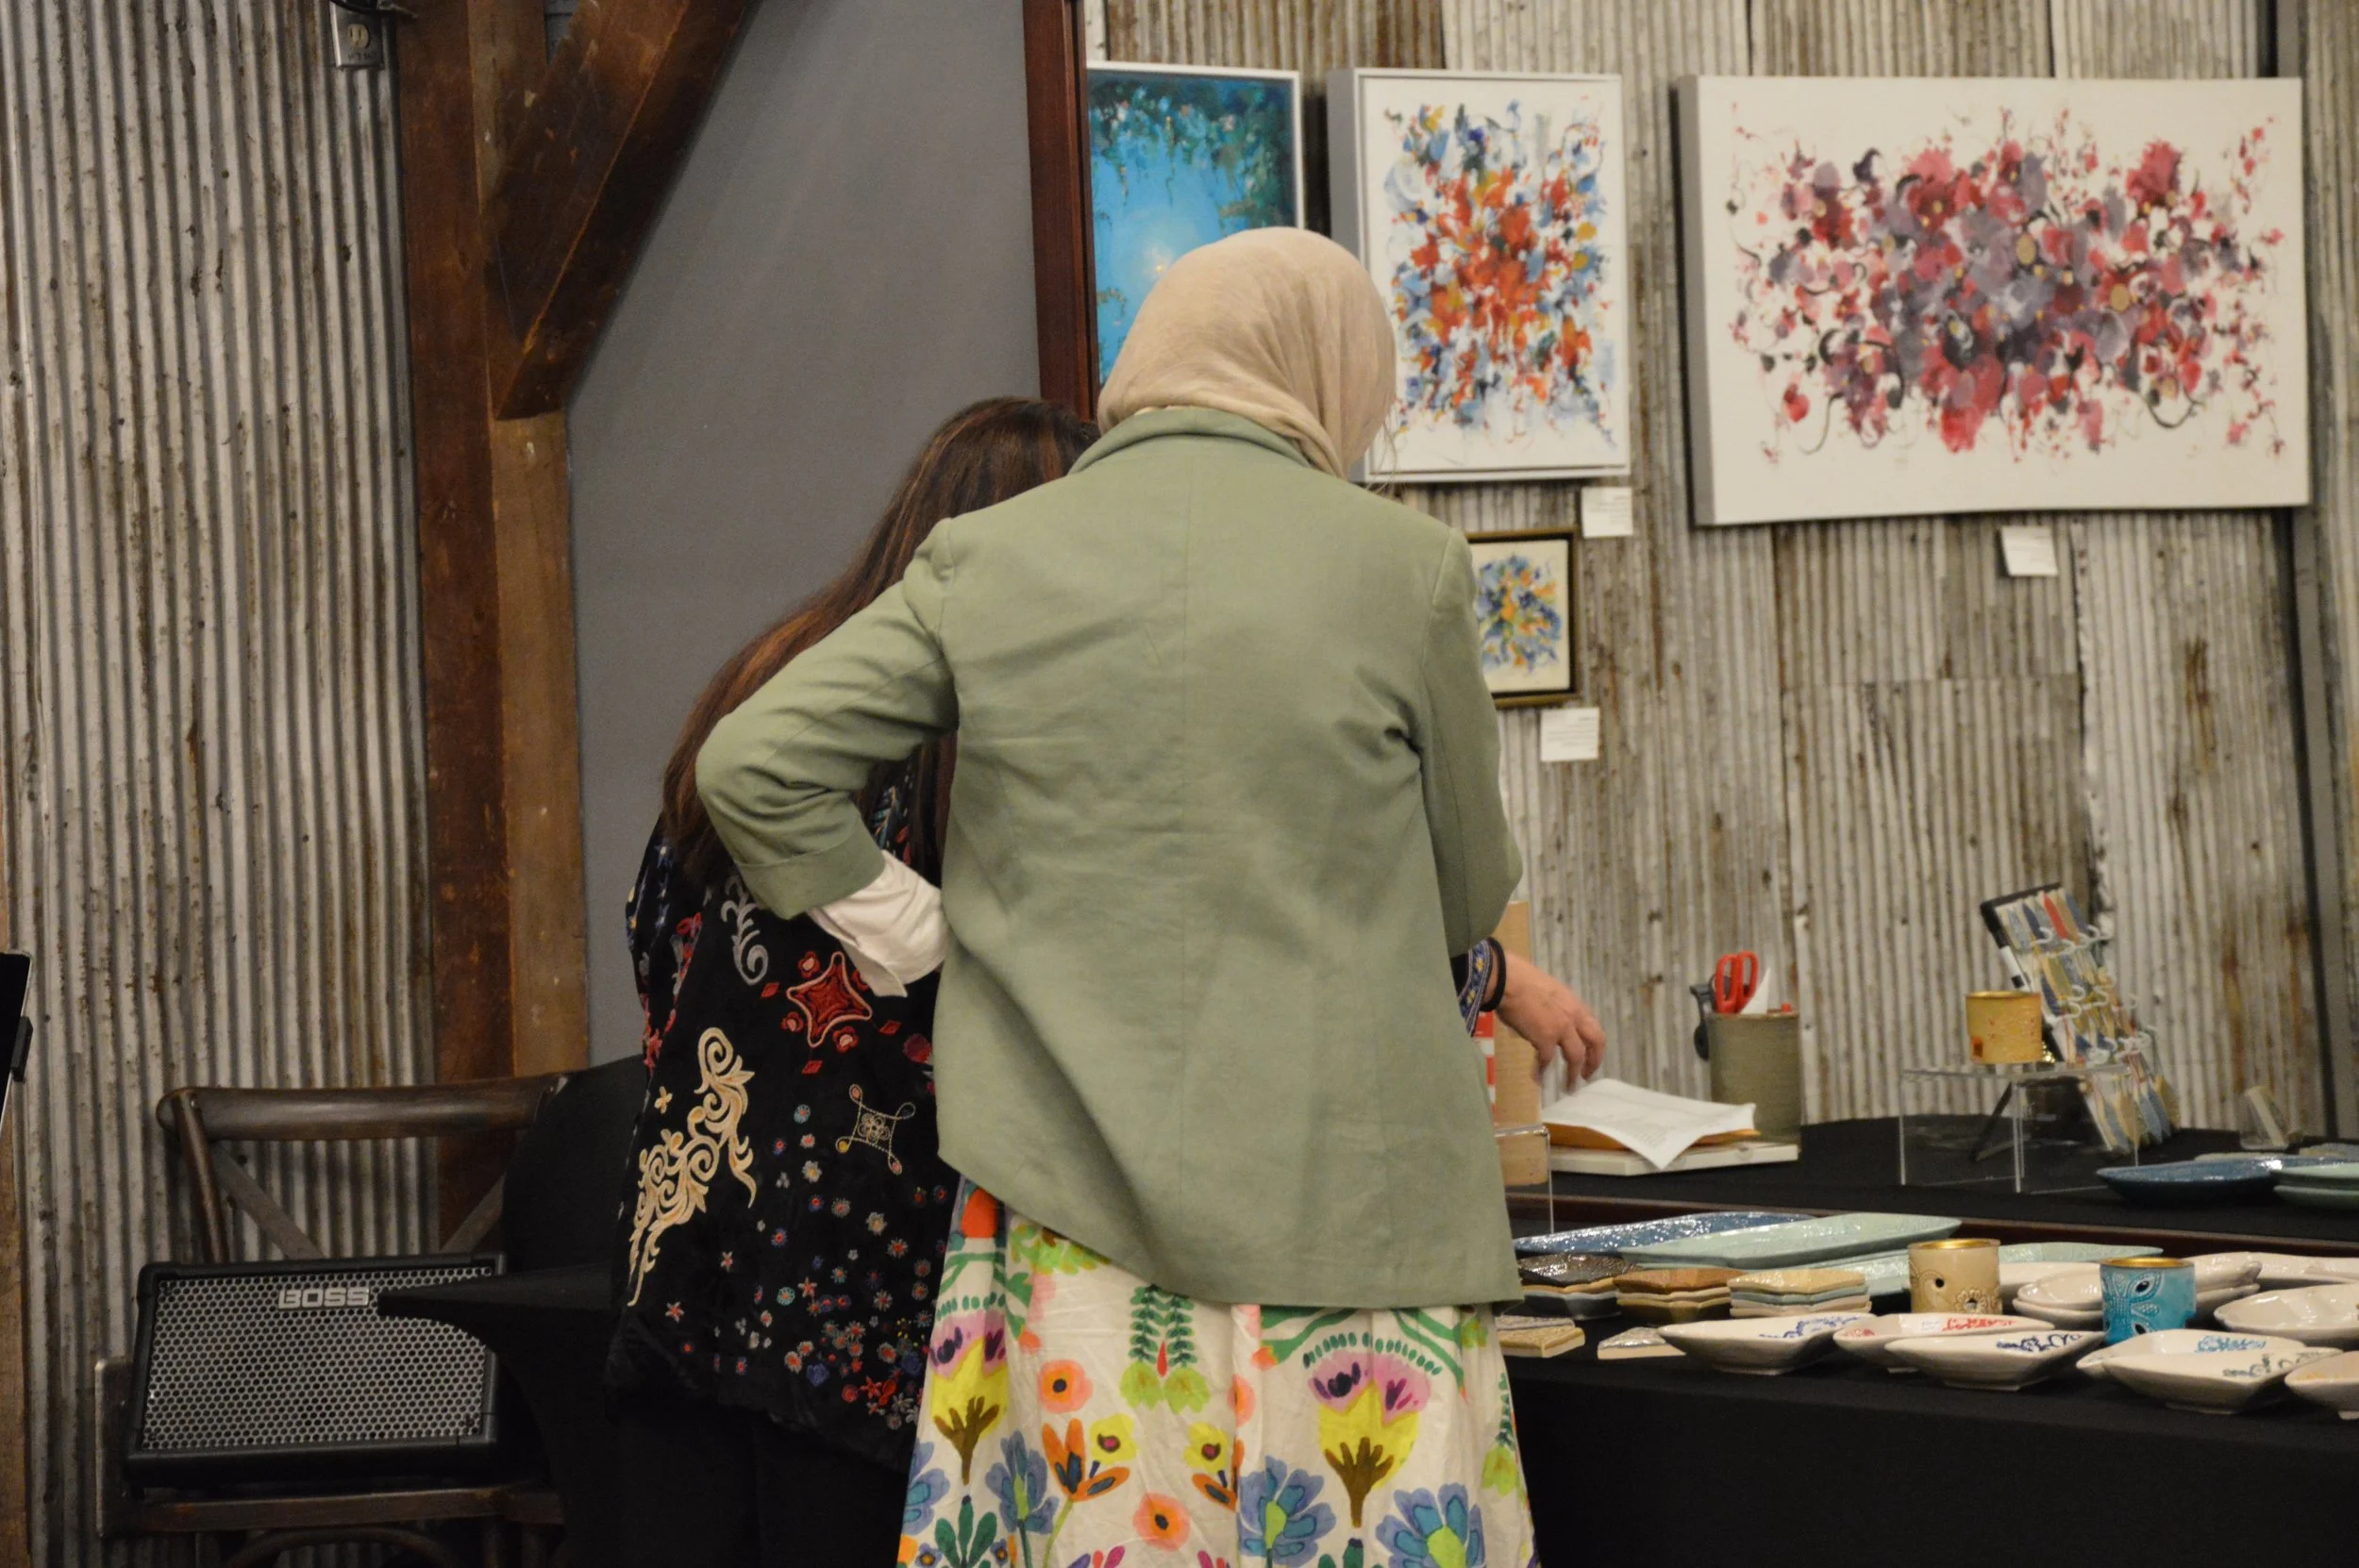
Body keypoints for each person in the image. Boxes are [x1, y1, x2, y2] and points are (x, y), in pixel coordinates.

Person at [696, 227, 1604, 1567]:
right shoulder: (1395, 566)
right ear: (1323, 372)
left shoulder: (987, 558)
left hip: (1067, 1213)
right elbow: (1465, 888)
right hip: (1354, 1225)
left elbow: (752, 764)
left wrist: (922, 932)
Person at [603, 396, 1096, 1568]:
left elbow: (650, 924)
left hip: (692, 1249)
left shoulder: (773, 681)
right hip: (879, 1292)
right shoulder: (988, 727)